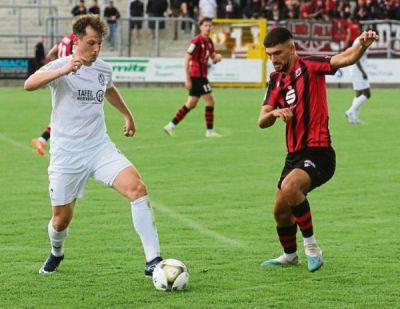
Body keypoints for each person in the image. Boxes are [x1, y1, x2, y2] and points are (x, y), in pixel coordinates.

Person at [24, 14, 162, 276]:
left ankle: (153, 259)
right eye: (90, 43)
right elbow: (28, 84)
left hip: (100, 149)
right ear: (77, 40)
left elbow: (109, 89)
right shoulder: (61, 66)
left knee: (138, 189)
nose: (96, 49)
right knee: (61, 220)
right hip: (66, 155)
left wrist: (127, 114)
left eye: (99, 43)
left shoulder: (103, 69)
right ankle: (56, 252)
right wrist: (63, 70)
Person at [258, 27, 377, 272]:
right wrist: (275, 113)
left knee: (291, 187)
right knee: (280, 212)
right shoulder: (275, 80)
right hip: (294, 155)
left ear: (291, 48)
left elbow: (344, 58)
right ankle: (290, 256)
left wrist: (362, 46)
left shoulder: (310, 65)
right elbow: (261, 120)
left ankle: (312, 248)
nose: (274, 59)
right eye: (269, 54)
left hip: (320, 152)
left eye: (277, 53)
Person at [163, 17, 222, 138]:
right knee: (210, 101)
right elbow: (187, 58)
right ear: (200, 27)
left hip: (201, 76)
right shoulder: (196, 40)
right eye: (205, 25)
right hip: (197, 76)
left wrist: (217, 58)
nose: (208, 27)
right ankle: (209, 132)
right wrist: (187, 78)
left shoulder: (209, 41)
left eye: (210, 25)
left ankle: (170, 126)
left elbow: (212, 57)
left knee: (191, 104)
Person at [31, 32, 77, 156]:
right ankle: (59, 145)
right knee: (71, 112)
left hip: (61, 74)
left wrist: (50, 55)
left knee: (64, 111)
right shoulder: (76, 37)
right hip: (70, 74)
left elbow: (55, 49)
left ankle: (41, 140)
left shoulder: (65, 38)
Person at [345, 35, 371, 124]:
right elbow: (356, 59)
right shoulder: (360, 41)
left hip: (354, 71)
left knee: (358, 94)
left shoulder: (360, 40)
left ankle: (353, 118)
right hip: (357, 71)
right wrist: (363, 72)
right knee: (367, 94)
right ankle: (350, 111)